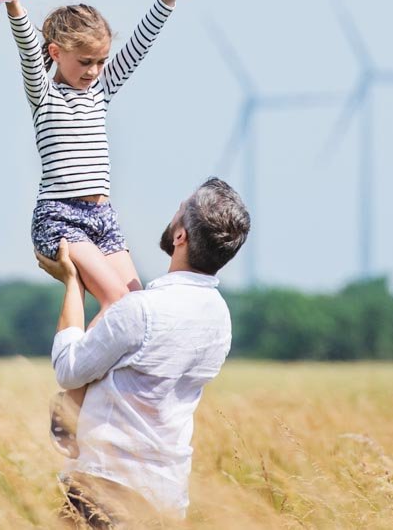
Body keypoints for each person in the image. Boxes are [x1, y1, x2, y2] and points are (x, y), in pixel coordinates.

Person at [0, 0, 200, 449]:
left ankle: (93, 398)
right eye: (84, 61)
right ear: (55, 54)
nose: (93, 71)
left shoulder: (101, 91)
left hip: (103, 219)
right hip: (60, 218)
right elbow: (25, 51)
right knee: (116, 303)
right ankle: (68, 398)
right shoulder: (44, 94)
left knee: (137, 306)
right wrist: (14, 7)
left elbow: (139, 46)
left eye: (99, 62)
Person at [36, 177, 249, 525]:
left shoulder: (143, 311)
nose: (174, 214)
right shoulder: (220, 319)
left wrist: (71, 282)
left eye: (179, 210)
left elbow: (68, 368)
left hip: (105, 490)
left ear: (181, 236)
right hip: (167, 496)